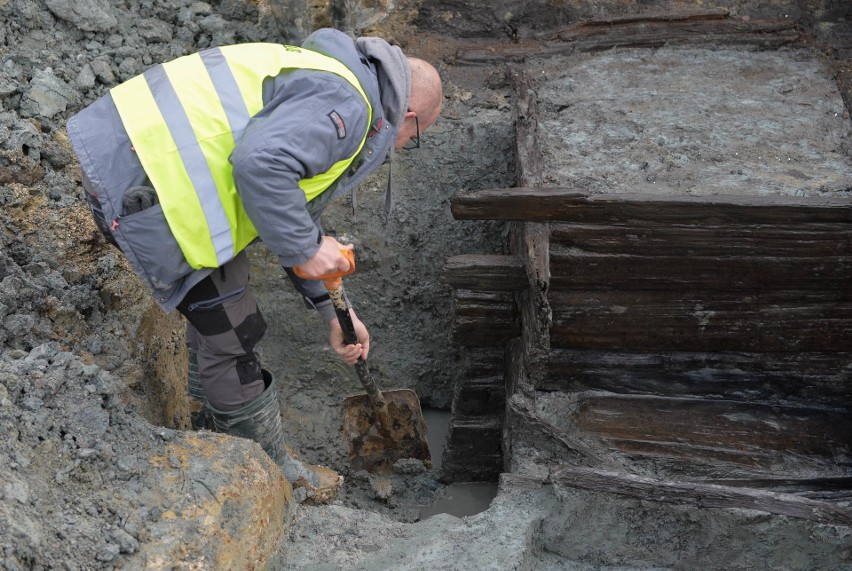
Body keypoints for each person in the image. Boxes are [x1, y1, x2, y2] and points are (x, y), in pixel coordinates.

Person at [66, 28, 443, 504]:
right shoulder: (348, 104)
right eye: (417, 137)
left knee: (217, 317)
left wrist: (335, 314)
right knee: (234, 333)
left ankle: (208, 425)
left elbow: (294, 211)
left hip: (134, 158)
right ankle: (268, 471)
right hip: (146, 184)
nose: (407, 145)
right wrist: (307, 249)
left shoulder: (336, 75)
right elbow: (261, 165)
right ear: (409, 115)